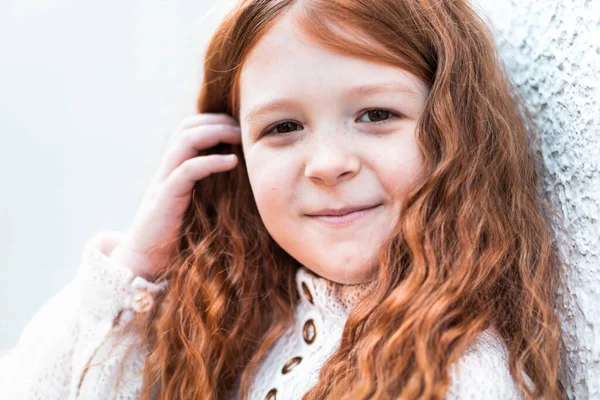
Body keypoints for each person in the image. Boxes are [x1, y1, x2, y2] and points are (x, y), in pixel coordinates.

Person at [0, 0, 565, 399]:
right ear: (234, 151)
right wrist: (135, 270)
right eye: (283, 127)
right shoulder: (230, 321)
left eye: (376, 115)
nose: (326, 164)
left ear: (456, 130)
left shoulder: (457, 372)